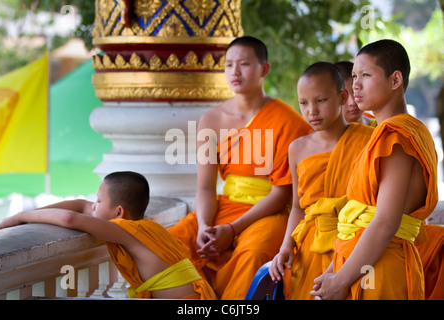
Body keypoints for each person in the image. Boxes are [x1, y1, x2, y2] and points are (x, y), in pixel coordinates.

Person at [167, 36, 312, 299]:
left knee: (253, 252)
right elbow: (204, 187)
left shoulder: (287, 121)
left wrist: (233, 229)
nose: (235, 71)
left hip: (268, 212)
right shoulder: (211, 120)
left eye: (244, 64)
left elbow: (282, 194)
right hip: (225, 207)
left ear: (264, 69)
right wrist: (203, 226)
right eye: (229, 65)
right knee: (168, 244)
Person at [311, 39, 438, 300]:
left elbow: (385, 222)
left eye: (366, 75)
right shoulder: (388, 132)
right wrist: (336, 270)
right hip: (361, 261)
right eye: (354, 75)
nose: (355, 84)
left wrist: (340, 281)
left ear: (395, 80)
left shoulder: (398, 137)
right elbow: (358, 215)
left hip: (381, 265)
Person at [0, 171, 217, 300]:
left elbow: (69, 219)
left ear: (119, 212)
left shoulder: (126, 230)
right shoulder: (147, 227)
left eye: (99, 202)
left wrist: (21, 216)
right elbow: (82, 206)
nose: (93, 206)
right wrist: (95, 205)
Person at [268, 62, 374, 299]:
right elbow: (297, 207)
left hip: (354, 244)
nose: (312, 111)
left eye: (321, 101)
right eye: (303, 103)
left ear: (343, 96)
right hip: (309, 247)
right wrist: (286, 246)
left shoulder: (369, 141)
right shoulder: (297, 148)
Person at [335, 61, 377, 127]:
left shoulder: (380, 128)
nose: (352, 102)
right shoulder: (320, 135)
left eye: (355, 92)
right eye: (343, 96)